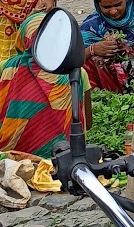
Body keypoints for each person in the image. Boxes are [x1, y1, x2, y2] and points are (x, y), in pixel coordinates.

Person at [0, 11, 92, 158]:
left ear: (24, 38)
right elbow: (87, 122)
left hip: (12, 159)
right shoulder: (77, 73)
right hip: (67, 160)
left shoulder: (8, 68)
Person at [81, 0, 134, 91]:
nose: (113, 11)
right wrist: (93, 49)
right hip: (112, 79)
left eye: (118, 5)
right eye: (106, 7)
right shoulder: (93, 25)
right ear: (98, 5)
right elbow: (72, 58)